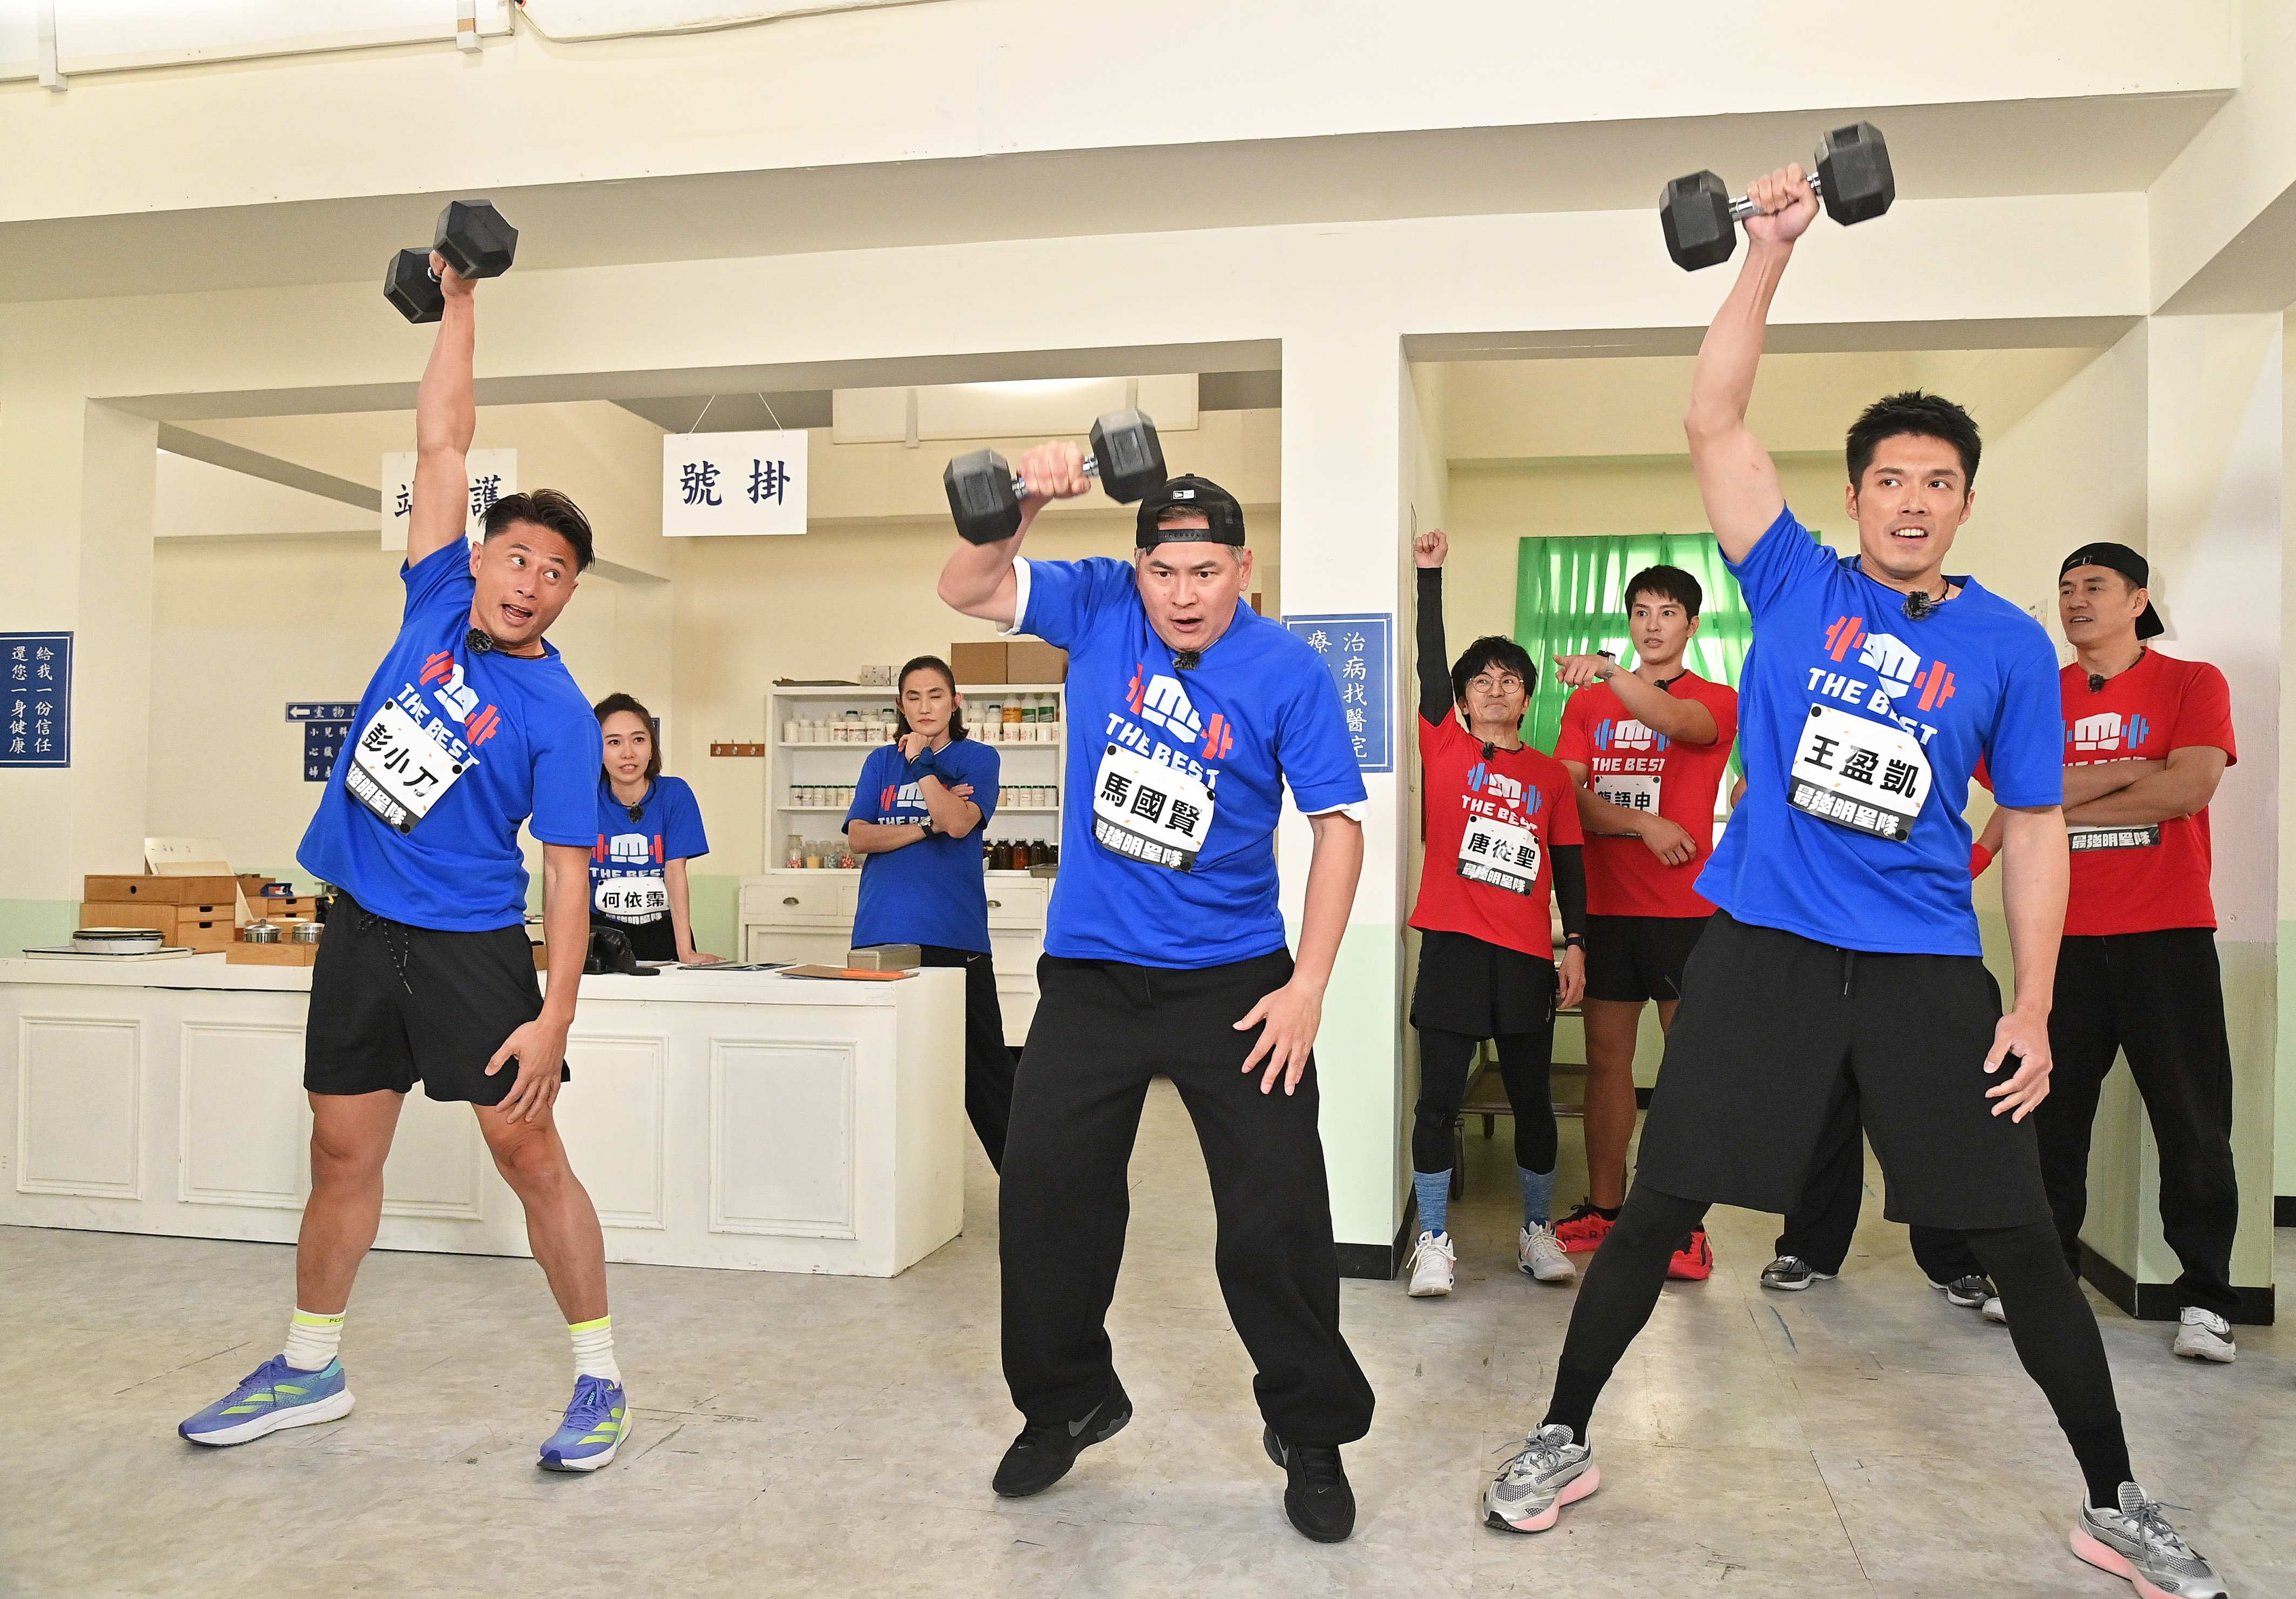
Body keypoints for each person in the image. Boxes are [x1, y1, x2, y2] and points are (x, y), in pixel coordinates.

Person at [1483, 162, 2225, 1599]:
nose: (1909, 500)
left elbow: (2032, 831)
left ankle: (2115, 1497)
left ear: (1960, 507)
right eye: (1888, 478)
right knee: (1658, 1203)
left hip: (1922, 972)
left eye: (1936, 484)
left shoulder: (2009, 648)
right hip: (1757, 949)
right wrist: (1766, 256)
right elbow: (1711, 416)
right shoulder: (1796, 583)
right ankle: (1562, 1433)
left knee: (2014, 1226)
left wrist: (2036, 1004)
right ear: (1855, 495)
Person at [178, 254, 631, 1475]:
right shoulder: (433, 597)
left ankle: (599, 1379)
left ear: (569, 596)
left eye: (556, 574)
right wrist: (465, 306)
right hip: (359, 929)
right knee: (340, 1151)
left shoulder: (559, 715)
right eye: (518, 557)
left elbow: (568, 878)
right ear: (481, 558)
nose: (530, 582)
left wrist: (552, 1017)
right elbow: (442, 442)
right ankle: (311, 1365)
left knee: (528, 1155)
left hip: (471, 949)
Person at [938, 460, 1373, 1544]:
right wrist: (1026, 504)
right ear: (1137, 569)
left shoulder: (1287, 672)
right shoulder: (1095, 606)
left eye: (1206, 569)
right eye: (1164, 569)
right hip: (1089, 975)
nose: (1183, 592)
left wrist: (1307, 984)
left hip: (1234, 981)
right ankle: (1070, 1398)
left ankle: (1309, 1431)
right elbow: (965, 586)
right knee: (1044, 1196)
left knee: (1272, 1214)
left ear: (1243, 567)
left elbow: (1337, 827)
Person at [1965, 542, 2240, 1360]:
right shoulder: (2036, 695)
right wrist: (2126, 771)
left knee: (2192, 1120)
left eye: (2096, 586)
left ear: (2137, 600)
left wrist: (2047, 806)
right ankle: (2045, 1282)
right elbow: (2007, 797)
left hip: (2168, 933)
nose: (2077, 600)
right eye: (2067, 588)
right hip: (2060, 941)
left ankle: (2208, 1301)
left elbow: (2186, 786)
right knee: (2046, 1118)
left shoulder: (2193, 682)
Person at [1401, 528, 1587, 1297]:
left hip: (1520, 956)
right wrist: (1430, 576)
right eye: (1481, 677)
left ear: (1527, 695)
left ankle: (1536, 1231)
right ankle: (1436, 1239)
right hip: (1449, 944)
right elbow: (1426, 657)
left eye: (1510, 677)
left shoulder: (1549, 775)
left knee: (1532, 1099)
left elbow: (1570, 863)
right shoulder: (1443, 744)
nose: (1495, 685)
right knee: (1439, 1099)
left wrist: (1574, 945)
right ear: (1464, 694)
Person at [1548, 564, 1738, 1281]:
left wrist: (1608, 671)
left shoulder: (1716, 699)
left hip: (1687, 913)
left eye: (1668, 612)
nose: (1652, 624)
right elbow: (1569, 795)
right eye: (1640, 611)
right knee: (1606, 1063)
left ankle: (1684, 1227)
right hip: (1606, 909)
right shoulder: (1590, 705)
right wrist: (1639, 822)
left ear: (1691, 625)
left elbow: (1671, 720)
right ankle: (1606, 1207)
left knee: (1690, 1071)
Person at [843, 654, 1012, 1169]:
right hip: (881, 932)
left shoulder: (978, 758)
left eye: (935, 695)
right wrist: (926, 826)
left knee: (986, 1076)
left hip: (955, 935)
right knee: (887, 1066)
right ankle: (888, 1184)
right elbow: (858, 835)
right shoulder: (878, 762)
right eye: (913, 697)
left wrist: (922, 768)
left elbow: (960, 824)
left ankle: (1028, 1188)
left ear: (955, 701)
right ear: (900, 704)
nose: (925, 706)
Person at [590, 691, 720, 964]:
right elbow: (567, 878)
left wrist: (686, 952)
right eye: (614, 742)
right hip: (599, 935)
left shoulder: (675, 794)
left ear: (652, 747)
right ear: (596, 749)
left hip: (662, 932)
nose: (628, 753)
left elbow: (675, 873)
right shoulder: (584, 797)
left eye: (638, 740)